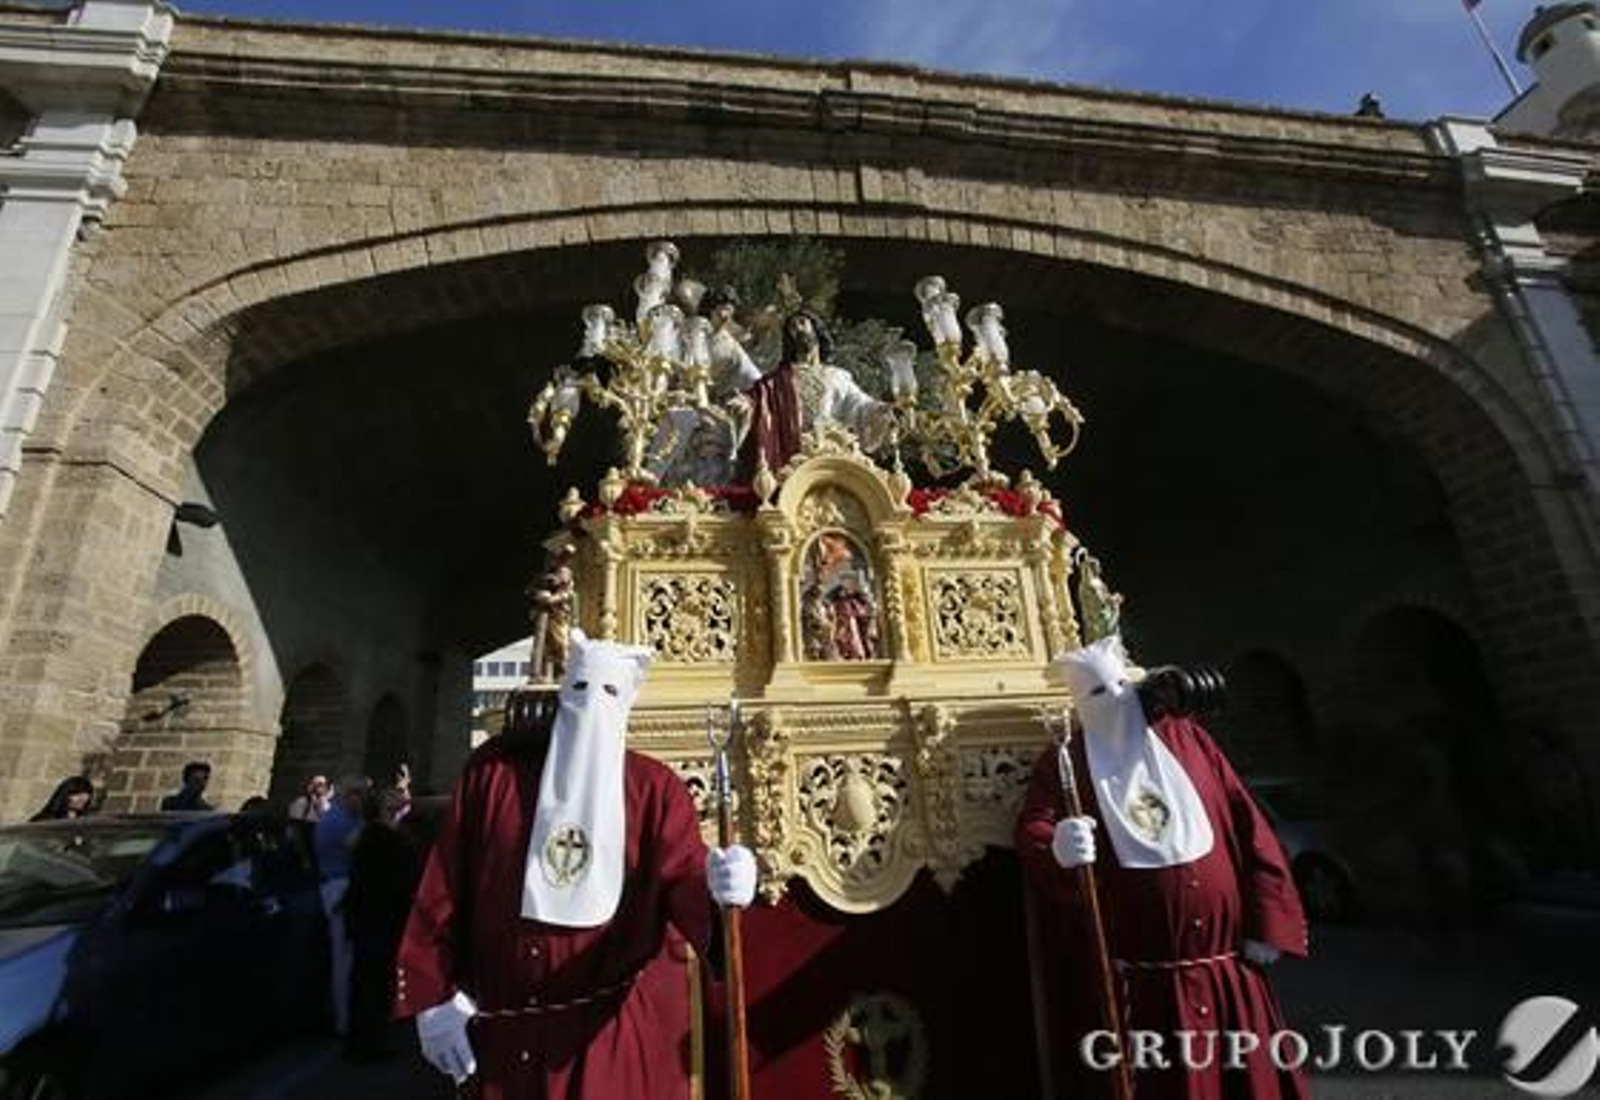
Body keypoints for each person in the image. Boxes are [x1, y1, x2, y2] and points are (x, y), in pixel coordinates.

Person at [396, 629, 757, 1099]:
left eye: (608, 693)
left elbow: (682, 881)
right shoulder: (494, 777)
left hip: (603, 1039)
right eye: (581, 688)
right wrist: (433, 997)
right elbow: (441, 889)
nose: (591, 707)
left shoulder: (653, 790)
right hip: (501, 1037)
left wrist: (717, 888)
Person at [1016, 637, 1308, 1100]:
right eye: (1095, 692)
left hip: (1229, 973)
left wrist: (1267, 919)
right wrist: (1056, 846)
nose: (1113, 696)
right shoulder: (1066, 762)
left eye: (1118, 682)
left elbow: (1246, 819)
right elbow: (1036, 824)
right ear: (1076, 703)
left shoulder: (1185, 736)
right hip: (1149, 992)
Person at [733, 309, 894, 482]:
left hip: (832, 455)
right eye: (792, 328)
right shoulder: (778, 379)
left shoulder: (837, 376)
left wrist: (880, 410)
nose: (798, 329)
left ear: (816, 329)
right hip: (791, 457)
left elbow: (860, 406)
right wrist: (747, 404)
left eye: (802, 323)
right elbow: (758, 398)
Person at [345, 785, 423, 1061]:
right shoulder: (378, 836)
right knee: (370, 982)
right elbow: (388, 878)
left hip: (382, 917)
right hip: (376, 917)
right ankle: (364, 1044)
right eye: (392, 799)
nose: (399, 802)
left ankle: (370, 1039)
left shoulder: (387, 834)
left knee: (376, 982)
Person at [316, 774, 369, 1036]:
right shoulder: (335, 820)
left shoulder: (350, 817)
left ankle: (349, 1016)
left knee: (350, 957)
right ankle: (344, 1021)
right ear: (348, 795)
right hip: (338, 887)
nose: (362, 800)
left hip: (347, 886)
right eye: (358, 794)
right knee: (344, 959)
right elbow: (358, 845)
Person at [31, 776, 95, 821]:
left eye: (86, 794)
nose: (82, 798)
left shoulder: (87, 821)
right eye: (76, 794)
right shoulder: (45, 820)